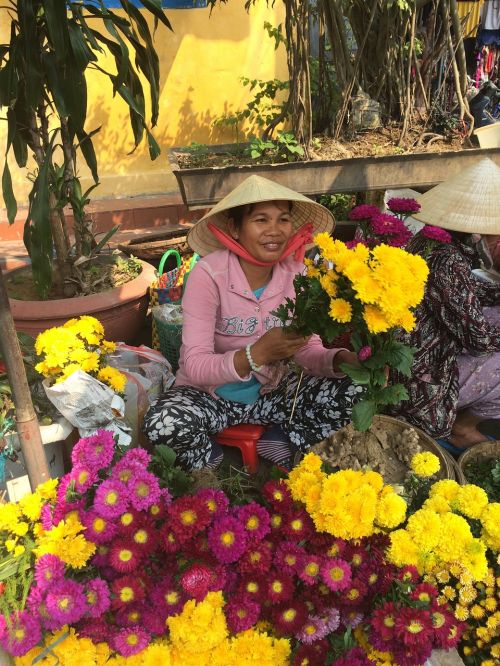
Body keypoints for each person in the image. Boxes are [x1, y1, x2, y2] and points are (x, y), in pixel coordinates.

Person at [143, 175, 362, 470]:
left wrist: (340, 360)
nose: (275, 231)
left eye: (283, 220)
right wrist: (255, 355)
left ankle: (280, 437)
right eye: (261, 220)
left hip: (275, 395)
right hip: (211, 397)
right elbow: (194, 363)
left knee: (358, 389)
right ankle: (208, 460)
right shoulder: (209, 275)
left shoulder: (297, 275)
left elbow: (306, 349)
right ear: (235, 228)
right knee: (162, 423)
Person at [389, 158, 500, 451]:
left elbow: (472, 291)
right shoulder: (447, 260)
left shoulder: (438, 245)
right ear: (477, 231)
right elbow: (479, 341)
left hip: (415, 351)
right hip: (418, 372)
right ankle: (460, 429)